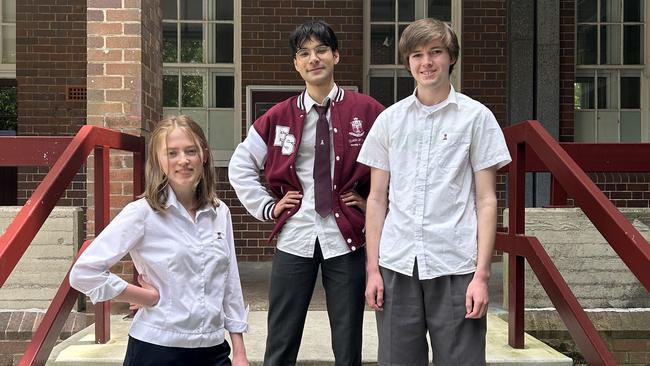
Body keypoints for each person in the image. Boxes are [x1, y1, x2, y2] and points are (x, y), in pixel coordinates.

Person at [229, 20, 384, 366]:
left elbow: (395, 164)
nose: (314, 58)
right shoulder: (278, 116)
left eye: (321, 50)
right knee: (282, 335)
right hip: (296, 235)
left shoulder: (368, 111)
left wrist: (375, 202)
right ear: (296, 64)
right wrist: (269, 208)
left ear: (336, 56)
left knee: (347, 338)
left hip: (346, 237)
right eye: (304, 53)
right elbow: (240, 165)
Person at [358, 18, 512, 365]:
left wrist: (482, 276)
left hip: (456, 264)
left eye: (435, 52)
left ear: (451, 57)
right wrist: (372, 270)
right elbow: (377, 199)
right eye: (417, 55)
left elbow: (486, 200)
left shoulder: (477, 118)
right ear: (408, 62)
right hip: (398, 264)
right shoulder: (390, 121)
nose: (426, 62)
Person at [70, 116, 249, 366]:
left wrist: (239, 352)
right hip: (157, 349)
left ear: (204, 155)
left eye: (190, 151)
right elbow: (84, 272)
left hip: (213, 349)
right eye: (172, 153)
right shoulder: (142, 213)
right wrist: (146, 297)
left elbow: (229, 282)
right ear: (159, 161)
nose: (183, 160)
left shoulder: (220, 212)